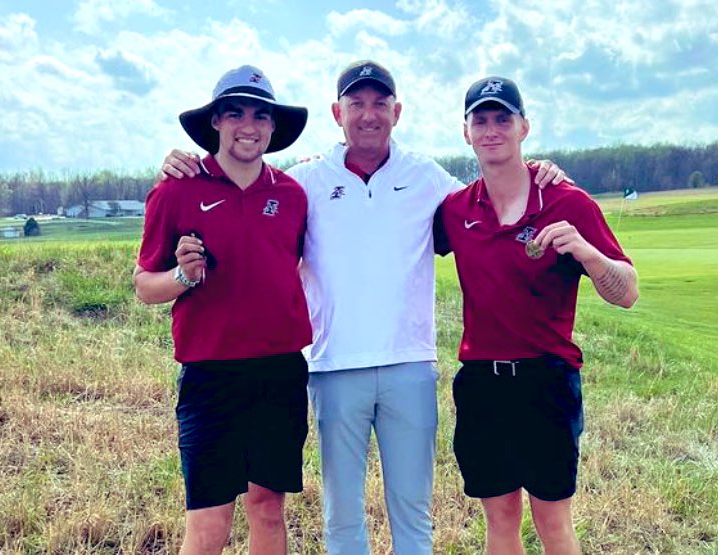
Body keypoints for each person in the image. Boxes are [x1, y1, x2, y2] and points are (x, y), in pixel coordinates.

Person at [158, 60, 571, 555]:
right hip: (334, 368)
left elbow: (492, 200)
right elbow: (245, 194)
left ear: (397, 112)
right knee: (342, 518)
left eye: (380, 104)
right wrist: (182, 166)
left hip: (410, 367)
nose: (368, 114)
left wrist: (540, 171)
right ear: (338, 112)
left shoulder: (426, 177)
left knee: (413, 515)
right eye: (357, 103)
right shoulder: (304, 182)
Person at [434, 76, 639, 555]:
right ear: (465, 133)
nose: (491, 130)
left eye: (502, 119)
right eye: (479, 120)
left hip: (546, 379)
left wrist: (587, 252)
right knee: (500, 520)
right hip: (482, 381)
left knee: (553, 521)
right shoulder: (456, 209)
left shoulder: (568, 202)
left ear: (523, 126)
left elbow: (626, 292)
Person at [133, 65, 312, 555]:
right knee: (210, 523)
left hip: (279, 372)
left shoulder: (293, 195)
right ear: (215, 121)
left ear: (274, 127)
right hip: (210, 376)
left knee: (269, 508)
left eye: (260, 115)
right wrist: (183, 278)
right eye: (234, 113)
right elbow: (145, 285)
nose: (248, 125)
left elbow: (291, 264)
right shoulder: (176, 190)